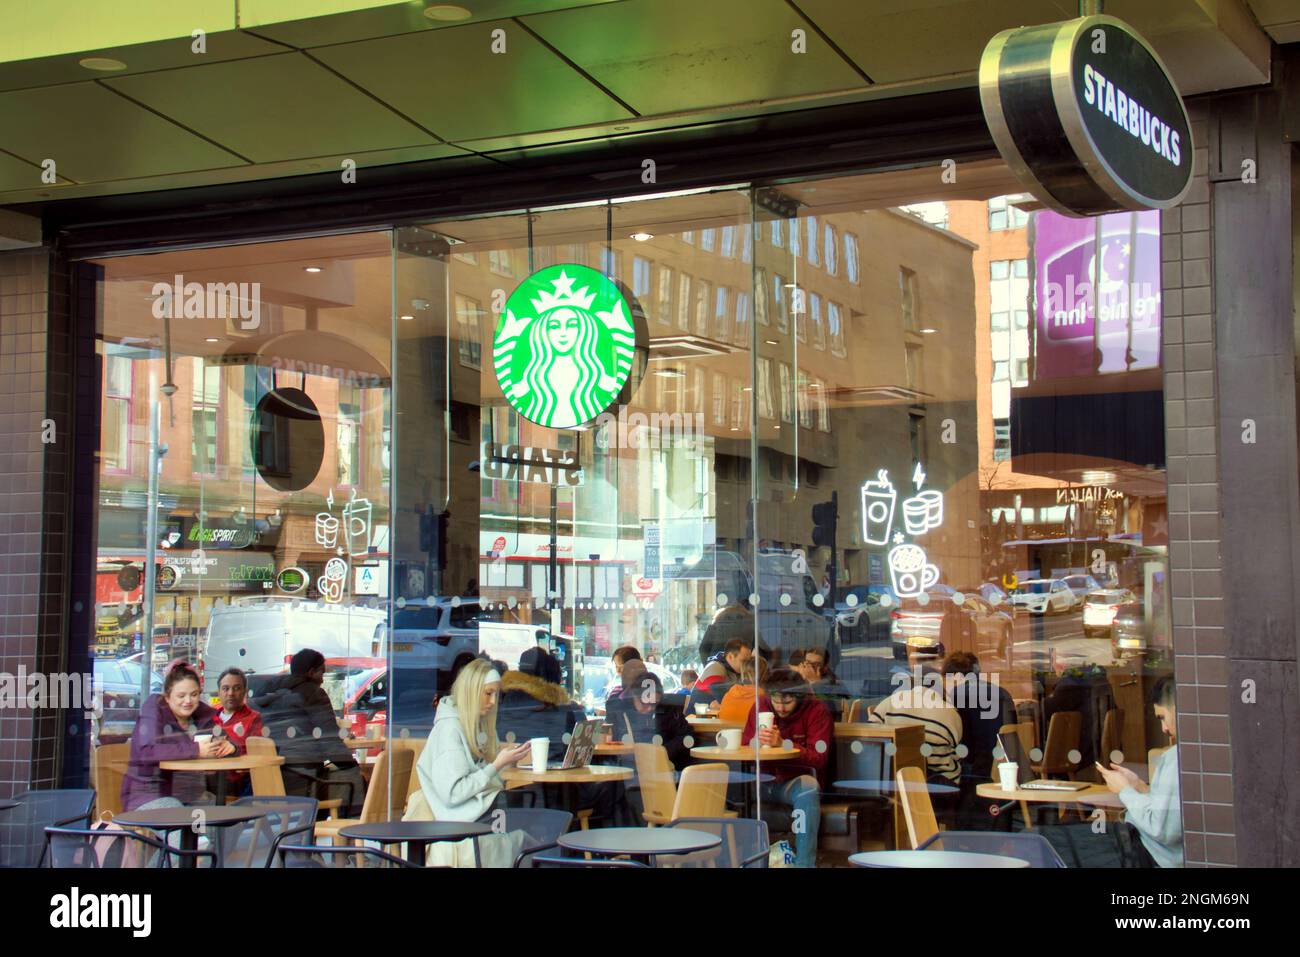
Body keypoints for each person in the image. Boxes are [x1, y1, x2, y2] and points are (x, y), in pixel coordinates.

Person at [250, 649, 365, 816]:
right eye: (321, 673)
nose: (323, 679)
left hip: (270, 781)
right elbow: (329, 741)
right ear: (312, 672)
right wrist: (352, 765)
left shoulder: (266, 695)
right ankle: (350, 831)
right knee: (354, 777)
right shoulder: (313, 693)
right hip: (303, 779)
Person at [740, 669, 833, 868]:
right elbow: (744, 744)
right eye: (776, 701)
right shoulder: (760, 707)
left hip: (793, 783)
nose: (781, 707)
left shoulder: (816, 711)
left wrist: (784, 744)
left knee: (808, 788)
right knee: (730, 787)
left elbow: (819, 758)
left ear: (799, 696)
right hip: (762, 781)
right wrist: (757, 742)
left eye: (788, 701)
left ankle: (804, 865)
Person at [121, 660, 234, 811]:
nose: (188, 701)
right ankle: (194, 835)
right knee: (180, 817)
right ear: (167, 697)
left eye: (194, 695)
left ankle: (203, 835)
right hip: (148, 795)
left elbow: (226, 735)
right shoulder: (154, 707)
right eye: (181, 696)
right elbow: (146, 751)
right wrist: (196, 750)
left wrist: (231, 746)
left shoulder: (201, 713)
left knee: (226, 815)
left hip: (190, 795)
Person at [1096, 678, 1183, 867]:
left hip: (1153, 855)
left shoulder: (1176, 758)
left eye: (1162, 717)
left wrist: (1125, 790)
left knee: (1049, 841)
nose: (1164, 729)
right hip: (1154, 851)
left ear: (1177, 710)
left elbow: (1163, 830)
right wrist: (1139, 786)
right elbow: (1169, 813)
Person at [940, 651, 1014, 826]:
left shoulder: (958, 696)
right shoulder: (1002, 692)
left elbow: (957, 739)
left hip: (975, 770)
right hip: (1003, 768)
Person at [867, 651, 962, 785]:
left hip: (891, 782)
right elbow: (956, 751)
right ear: (940, 687)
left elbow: (869, 742)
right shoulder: (950, 713)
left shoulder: (888, 703)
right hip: (940, 788)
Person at [496, 647, 584, 764]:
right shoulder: (566, 710)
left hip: (507, 777)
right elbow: (582, 747)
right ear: (555, 678)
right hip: (550, 778)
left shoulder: (500, 705)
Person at [610, 666, 694, 769]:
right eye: (645, 703)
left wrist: (662, 752)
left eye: (654, 703)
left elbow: (686, 735)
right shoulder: (620, 712)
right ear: (634, 696)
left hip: (663, 767)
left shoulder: (668, 710)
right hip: (629, 768)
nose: (650, 708)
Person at [212, 667, 264, 797]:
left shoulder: (253, 718)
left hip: (239, 783)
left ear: (245, 692)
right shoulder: (209, 718)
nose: (230, 693)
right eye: (225, 688)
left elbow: (256, 753)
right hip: (210, 779)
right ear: (218, 692)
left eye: (236, 688)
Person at [690, 638, 753, 710]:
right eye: (743, 660)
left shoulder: (734, 670)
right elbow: (725, 699)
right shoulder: (715, 667)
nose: (747, 665)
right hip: (695, 719)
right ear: (730, 657)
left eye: (749, 661)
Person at [717, 656, 767, 724]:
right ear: (765, 676)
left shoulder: (729, 695)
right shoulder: (764, 699)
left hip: (725, 734)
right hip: (750, 734)